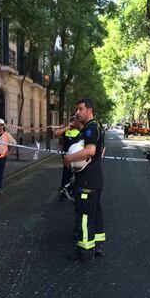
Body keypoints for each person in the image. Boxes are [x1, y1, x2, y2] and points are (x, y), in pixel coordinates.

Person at [64, 98, 105, 263]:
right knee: (96, 213)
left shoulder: (90, 129)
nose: (78, 112)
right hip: (95, 179)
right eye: (77, 109)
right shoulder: (96, 126)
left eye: (81, 109)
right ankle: (99, 245)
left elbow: (90, 151)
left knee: (84, 216)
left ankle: (85, 252)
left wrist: (69, 158)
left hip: (87, 181)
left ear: (89, 109)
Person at [55, 115, 82, 202]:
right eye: (71, 121)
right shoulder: (67, 130)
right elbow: (56, 133)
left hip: (77, 158)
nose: (73, 123)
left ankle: (75, 193)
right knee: (66, 176)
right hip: (67, 158)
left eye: (74, 121)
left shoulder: (80, 131)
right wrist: (67, 127)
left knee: (78, 177)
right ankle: (63, 193)